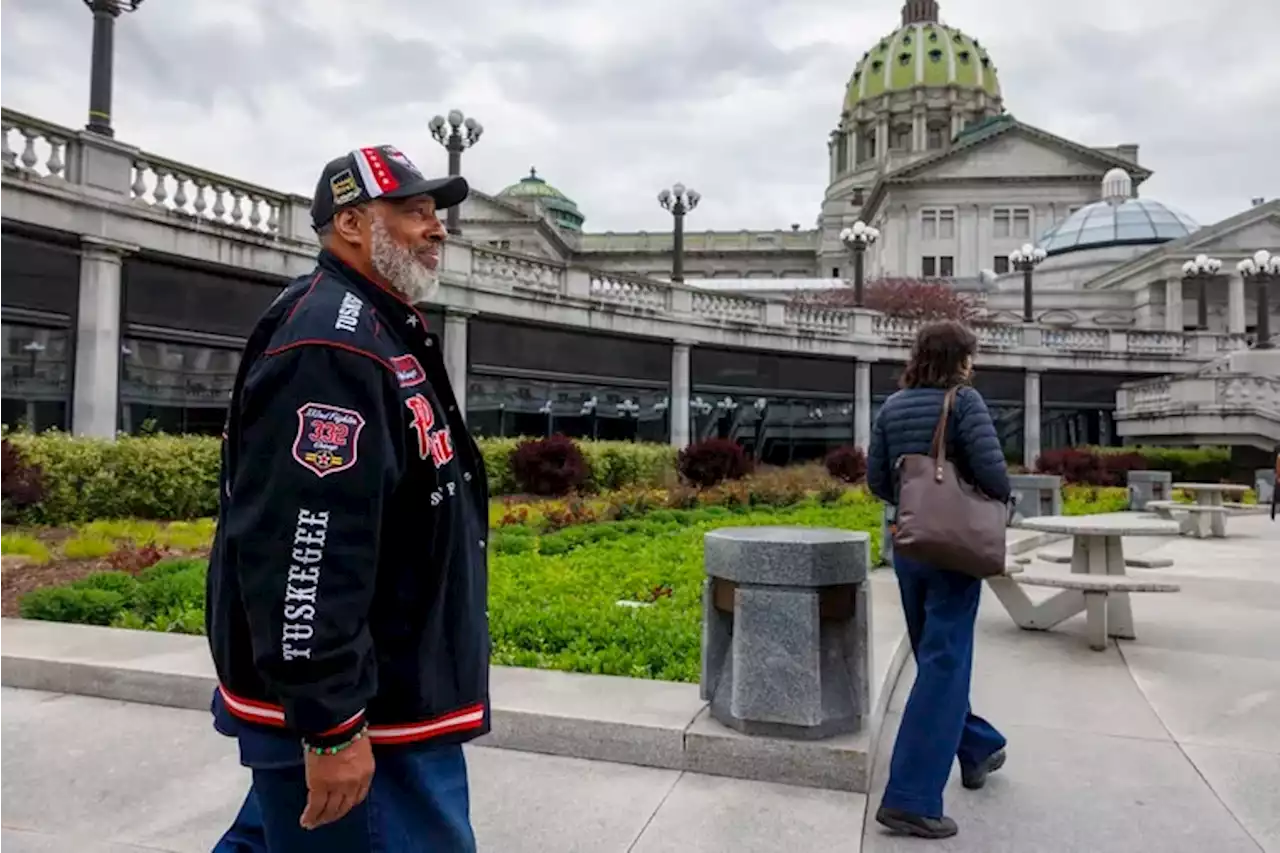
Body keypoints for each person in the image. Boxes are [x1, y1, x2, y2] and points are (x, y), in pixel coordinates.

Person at [205, 145, 490, 852]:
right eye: (415, 211)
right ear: (354, 223)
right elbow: (306, 541)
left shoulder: (378, 324)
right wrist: (332, 723)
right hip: (365, 719)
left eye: (436, 212)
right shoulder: (331, 343)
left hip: (378, 696)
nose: (438, 227)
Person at [866, 320, 1011, 840]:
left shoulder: (893, 406)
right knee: (945, 663)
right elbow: (996, 478)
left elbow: (878, 480)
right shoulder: (964, 401)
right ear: (959, 360)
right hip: (955, 551)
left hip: (910, 547)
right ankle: (911, 797)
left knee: (936, 657)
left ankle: (978, 747)